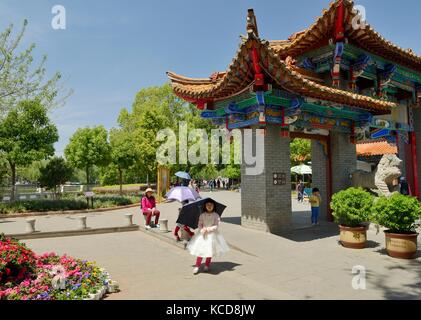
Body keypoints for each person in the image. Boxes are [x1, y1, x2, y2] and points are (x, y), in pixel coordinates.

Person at [187, 199, 230, 274]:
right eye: (208, 205)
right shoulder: (202, 215)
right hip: (202, 235)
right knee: (200, 250)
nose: (209, 206)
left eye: (211, 205)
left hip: (212, 235)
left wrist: (209, 229)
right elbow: (199, 224)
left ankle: (207, 265)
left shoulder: (216, 215)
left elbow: (216, 225)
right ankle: (197, 265)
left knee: (209, 250)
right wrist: (201, 229)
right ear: (205, 206)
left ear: (214, 206)